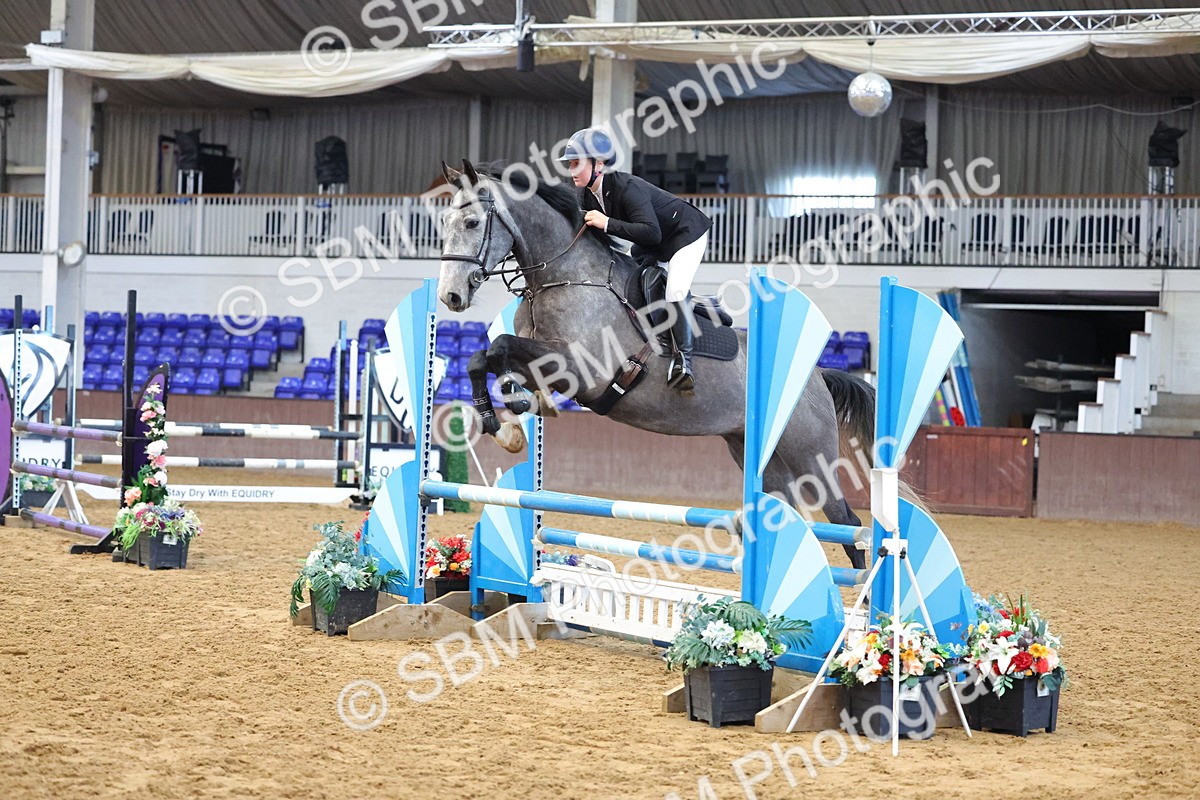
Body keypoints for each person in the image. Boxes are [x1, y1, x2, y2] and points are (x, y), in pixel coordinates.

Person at [559, 127, 712, 392]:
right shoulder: (585, 194)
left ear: (599, 163)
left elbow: (652, 233)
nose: (571, 171)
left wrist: (607, 223)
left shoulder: (627, 187)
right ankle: (698, 306)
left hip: (686, 236)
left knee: (675, 290)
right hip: (653, 244)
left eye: (576, 164)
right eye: (570, 164)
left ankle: (683, 362)